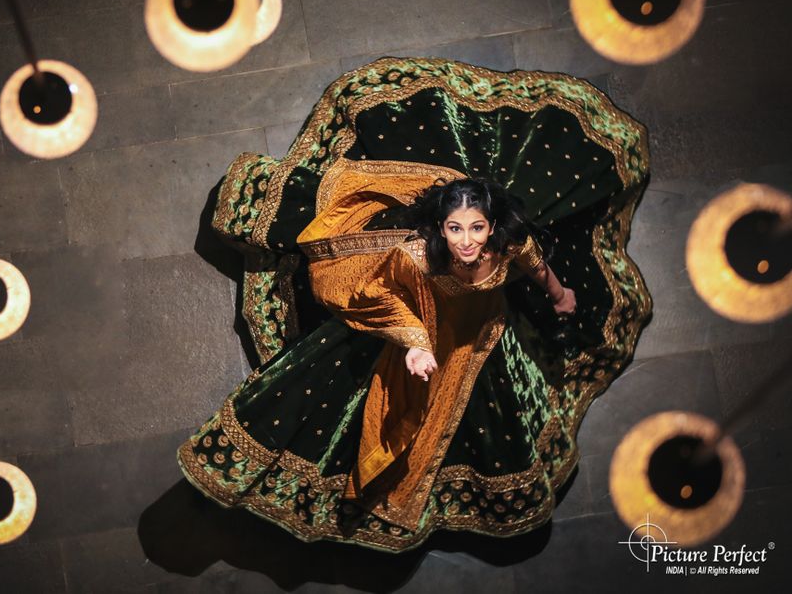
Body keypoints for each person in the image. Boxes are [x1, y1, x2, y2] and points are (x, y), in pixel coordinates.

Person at [178, 56, 652, 552]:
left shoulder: (508, 242)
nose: (466, 242)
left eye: (476, 228)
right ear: (441, 228)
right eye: (455, 228)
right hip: (426, 316)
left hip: (482, 323)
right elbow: (382, 294)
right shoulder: (418, 257)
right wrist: (413, 343)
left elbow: (535, 267)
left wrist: (559, 294)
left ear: (491, 226)